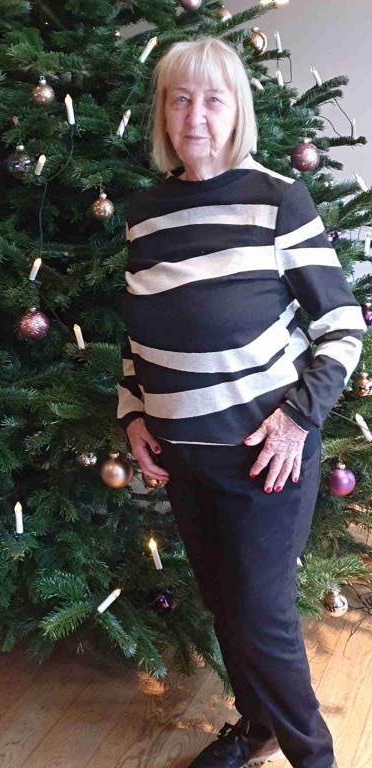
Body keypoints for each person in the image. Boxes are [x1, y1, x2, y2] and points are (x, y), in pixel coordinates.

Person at [117, 35, 363, 768]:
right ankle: (256, 730)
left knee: (262, 618)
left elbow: (342, 324)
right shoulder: (146, 212)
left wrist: (297, 418)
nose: (195, 116)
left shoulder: (277, 199)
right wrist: (132, 411)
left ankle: (315, 758)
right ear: (163, 112)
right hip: (183, 459)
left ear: (237, 112)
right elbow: (137, 329)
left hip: (264, 457)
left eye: (212, 100)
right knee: (225, 607)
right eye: (179, 99)